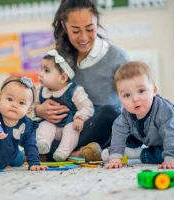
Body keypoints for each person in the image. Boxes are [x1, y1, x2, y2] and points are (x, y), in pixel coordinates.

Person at [33, 0, 130, 161]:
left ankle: (54, 153)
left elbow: (134, 99)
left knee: (109, 113)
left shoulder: (117, 58)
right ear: (64, 26)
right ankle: (75, 153)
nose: (83, 37)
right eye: (76, 31)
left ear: (97, 24)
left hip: (98, 129)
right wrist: (38, 110)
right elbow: (37, 93)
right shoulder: (58, 58)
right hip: (62, 129)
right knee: (21, 123)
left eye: (90, 29)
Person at [103, 61, 174, 169]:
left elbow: (171, 134)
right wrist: (115, 157)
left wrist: (170, 159)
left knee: (164, 155)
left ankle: (137, 153)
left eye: (141, 91)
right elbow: (119, 131)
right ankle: (120, 151)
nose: (135, 99)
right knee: (122, 135)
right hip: (148, 133)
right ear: (119, 98)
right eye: (127, 95)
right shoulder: (126, 114)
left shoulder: (163, 110)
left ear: (154, 91)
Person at [0, 76, 47, 171]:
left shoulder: (27, 125)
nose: (14, 105)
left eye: (21, 103)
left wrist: (34, 163)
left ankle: (14, 154)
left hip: (7, 152)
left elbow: (30, 144)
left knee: (19, 160)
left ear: (29, 109)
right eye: (10, 99)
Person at [36, 49, 94, 161]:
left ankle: (63, 152)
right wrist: (37, 109)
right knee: (44, 126)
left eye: (46, 71)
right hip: (51, 125)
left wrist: (79, 117)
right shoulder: (40, 90)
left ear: (63, 77)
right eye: (41, 69)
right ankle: (43, 144)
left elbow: (87, 106)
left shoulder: (74, 91)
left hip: (68, 123)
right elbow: (32, 106)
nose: (41, 74)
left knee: (72, 130)